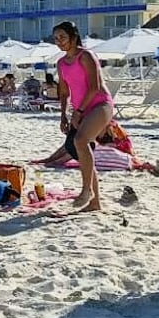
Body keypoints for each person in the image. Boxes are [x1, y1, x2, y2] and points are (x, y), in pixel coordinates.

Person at [53, 20, 114, 212]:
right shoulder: (61, 63)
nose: (59, 41)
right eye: (56, 39)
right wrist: (63, 115)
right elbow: (64, 92)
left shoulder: (86, 56)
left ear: (73, 36)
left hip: (100, 104)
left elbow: (94, 87)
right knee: (82, 150)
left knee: (80, 141)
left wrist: (78, 113)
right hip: (80, 109)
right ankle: (95, 203)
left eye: (62, 37)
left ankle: (86, 190)